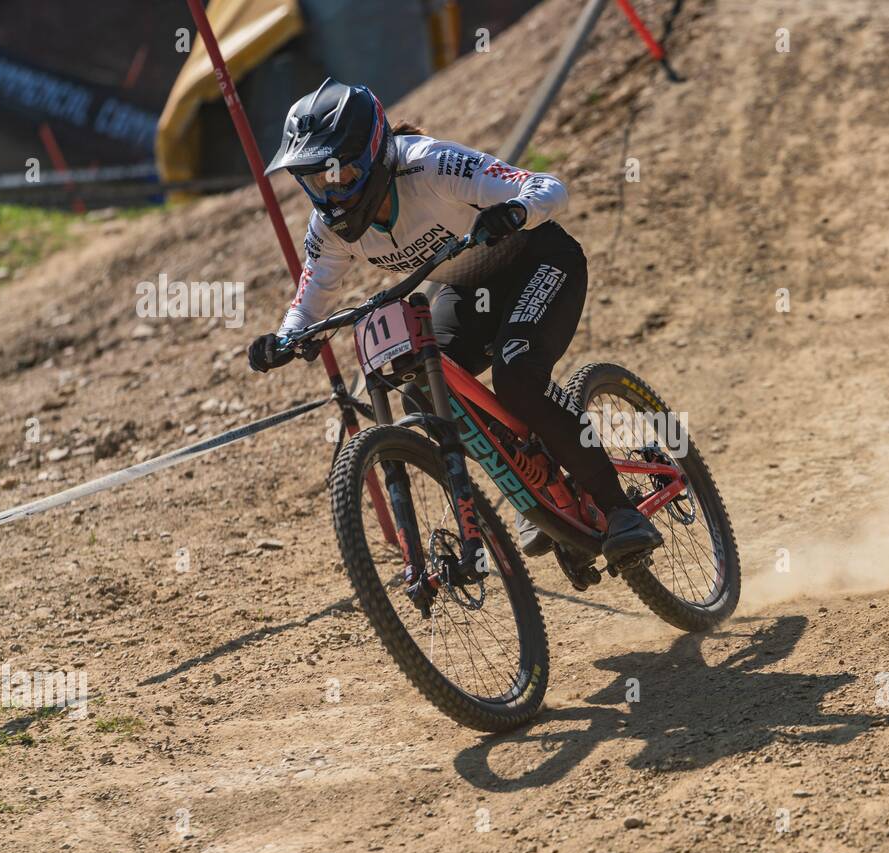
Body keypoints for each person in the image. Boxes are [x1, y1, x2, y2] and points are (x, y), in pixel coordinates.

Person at [247, 78, 661, 564]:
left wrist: (515, 211)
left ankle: (618, 509)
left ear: (376, 151)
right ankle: (537, 483)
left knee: (517, 373)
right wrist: (287, 338)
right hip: (469, 289)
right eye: (317, 180)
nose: (332, 191)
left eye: (341, 172)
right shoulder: (329, 230)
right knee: (422, 386)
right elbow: (311, 297)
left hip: (539, 258)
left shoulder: (431, 163)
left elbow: (548, 187)